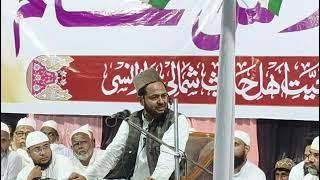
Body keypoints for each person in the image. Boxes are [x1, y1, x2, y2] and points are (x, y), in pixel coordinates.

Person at [69, 68, 190, 180]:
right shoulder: (132, 121)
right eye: (154, 97)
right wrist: (87, 176)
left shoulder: (176, 120)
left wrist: (156, 178)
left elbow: (169, 157)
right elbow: (112, 153)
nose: (161, 101)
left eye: (164, 96)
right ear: (141, 101)